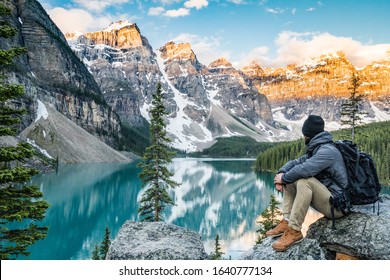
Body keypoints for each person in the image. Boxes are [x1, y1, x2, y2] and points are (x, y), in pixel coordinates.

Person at [267, 115, 348, 252]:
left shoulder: (327, 151)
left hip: (338, 206)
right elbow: (295, 163)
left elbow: (305, 169)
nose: (304, 137)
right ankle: (287, 221)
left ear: (308, 135)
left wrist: (284, 178)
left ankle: (294, 230)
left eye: (304, 134)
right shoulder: (318, 149)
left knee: (304, 181)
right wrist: (281, 174)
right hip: (328, 199)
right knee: (293, 179)